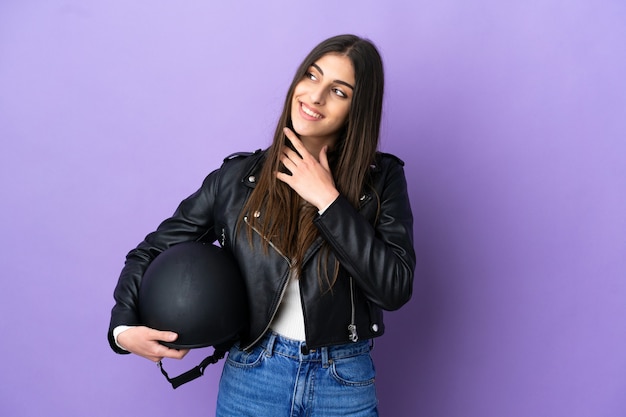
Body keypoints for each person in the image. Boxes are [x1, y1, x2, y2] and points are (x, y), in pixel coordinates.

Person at [108, 34, 416, 417]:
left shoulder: (381, 180)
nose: (315, 97)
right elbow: (152, 250)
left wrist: (328, 200)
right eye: (311, 76)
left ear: (358, 108)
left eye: (338, 91)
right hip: (254, 373)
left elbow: (395, 288)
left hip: (344, 379)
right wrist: (123, 330)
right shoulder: (236, 180)